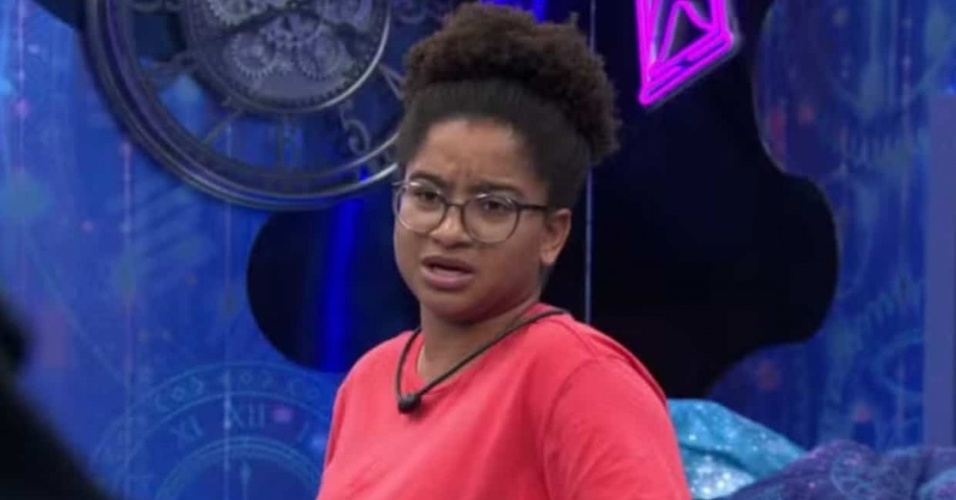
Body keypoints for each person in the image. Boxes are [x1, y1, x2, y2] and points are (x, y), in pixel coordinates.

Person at [316, 4, 690, 499]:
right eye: (427, 195)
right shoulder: (368, 380)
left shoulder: (581, 379)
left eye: (492, 206)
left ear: (552, 234)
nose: (449, 230)